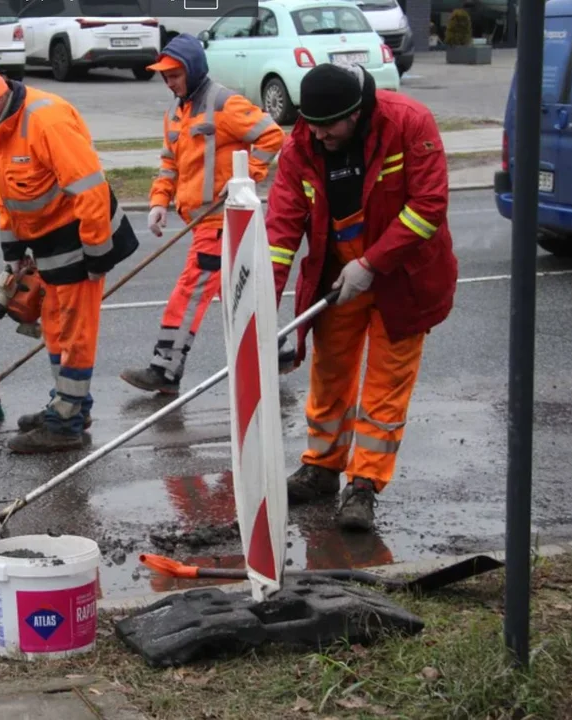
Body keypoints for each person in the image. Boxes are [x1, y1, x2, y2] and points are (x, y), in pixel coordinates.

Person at [265, 63, 458, 532]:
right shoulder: (304, 143)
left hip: (401, 274)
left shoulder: (408, 122)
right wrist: (260, 304)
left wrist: (372, 264)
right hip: (339, 277)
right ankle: (322, 467)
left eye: (329, 125)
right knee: (330, 371)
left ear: (356, 113)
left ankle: (365, 484)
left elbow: (428, 207)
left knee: (387, 382)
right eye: (310, 124)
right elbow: (282, 225)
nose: (320, 135)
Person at [0, 62, 139, 454]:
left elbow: (90, 189)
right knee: (55, 328)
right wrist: (14, 252)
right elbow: (6, 194)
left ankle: (65, 425)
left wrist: (96, 255)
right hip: (48, 245)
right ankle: (69, 406)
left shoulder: (46, 120)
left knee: (74, 333)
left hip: (82, 239)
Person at [119, 33, 286, 395]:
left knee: (190, 290)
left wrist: (244, 178)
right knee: (237, 292)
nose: (169, 82)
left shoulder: (224, 103)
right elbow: (169, 164)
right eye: (164, 76)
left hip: (220, 220)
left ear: (192, 69)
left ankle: (164, 369)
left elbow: (271, 136)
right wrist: (159, 203)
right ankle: (278, 353)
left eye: (174, 75)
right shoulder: (175, 113)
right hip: (199, 222)